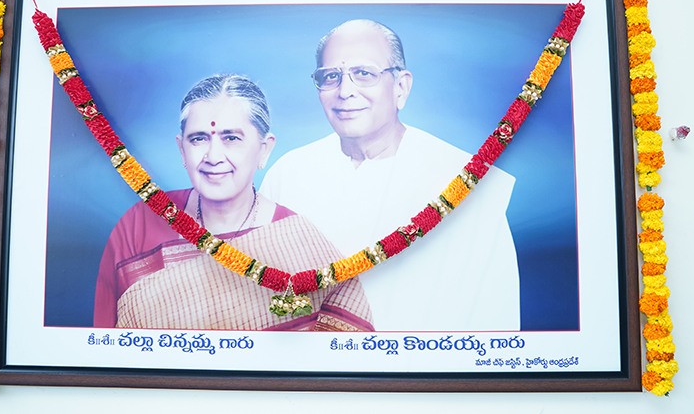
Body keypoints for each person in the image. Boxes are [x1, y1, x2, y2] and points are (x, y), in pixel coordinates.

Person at [261, 20, 520, 331]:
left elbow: (495, 312)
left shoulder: (462, 179)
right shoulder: (289, 173)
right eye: (330, 76)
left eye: (364, 73)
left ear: (401, 87)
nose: (345, 91)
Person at [94, 74, 373, 332]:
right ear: (182, 149)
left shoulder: (303, 246)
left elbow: (344, 358)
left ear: (264, 150)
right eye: (199, 139)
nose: (214, 157)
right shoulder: (139, 226)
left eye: (231, 138)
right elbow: (103, 349)